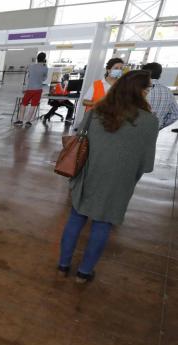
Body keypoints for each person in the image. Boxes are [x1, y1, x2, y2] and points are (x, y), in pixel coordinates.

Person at [57, 71, 158, 283]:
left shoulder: (96, 112)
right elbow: (147, 164)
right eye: (147, 89)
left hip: (88, 174)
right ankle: (84, 273)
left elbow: (79, 140)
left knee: (76, 218)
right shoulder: (149, 121)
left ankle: (63, 266)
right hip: (119, 182)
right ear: (140, 91)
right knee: (102, 225)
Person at [15, 52, 48, 127]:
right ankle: (28, 122)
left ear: (37, 58)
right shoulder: (45, 68)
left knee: (23, 104)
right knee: (33, 105)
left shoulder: (31, 66)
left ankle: (20, 121)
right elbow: (44, 79)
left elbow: (28, 76)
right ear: (44, 59)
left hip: (30, 88)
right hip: (38, 89)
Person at [141, 62, 178, 130]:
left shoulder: (137, 88)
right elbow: (175, 114)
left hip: (132, 130)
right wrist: (160, 125)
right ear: (159, 75)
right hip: (154, 131)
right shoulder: (168, 92)